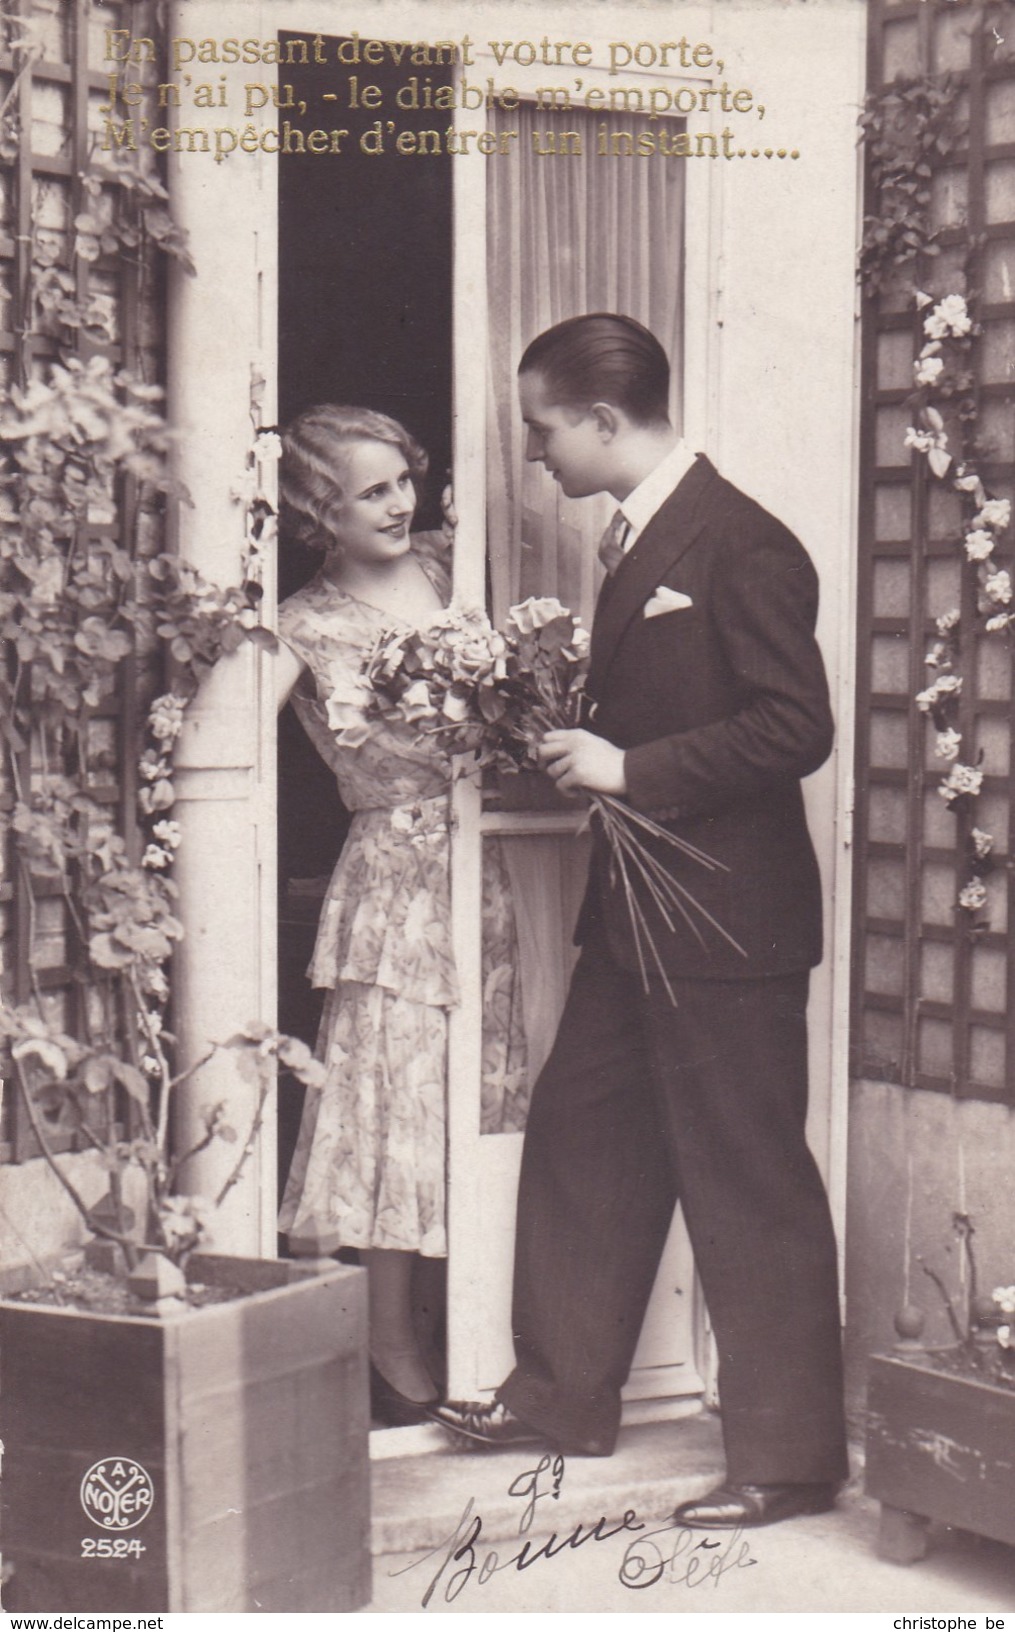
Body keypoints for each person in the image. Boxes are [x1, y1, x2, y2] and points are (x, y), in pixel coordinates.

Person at [435, 314, 849, 1528]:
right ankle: (563, 1395)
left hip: (728, 927)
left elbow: (795, 728)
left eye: (541, 428)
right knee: (582, 1135)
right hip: (638, 921)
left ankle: (787, 1461)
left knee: (748, 1178)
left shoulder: (742, 542)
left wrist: (628, 769)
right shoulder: (636, 543)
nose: (533, 454)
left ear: (606, 421)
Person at [273, 403, 526, 1427]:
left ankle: (469, 1327)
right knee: (392, 1104)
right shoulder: (300, 620)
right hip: (396, 875)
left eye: (400, 481)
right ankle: (388, 1344)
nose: (396, 502)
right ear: (316, 510)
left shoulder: (450, 564)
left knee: (484, 1094)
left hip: (500, 858)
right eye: (367, 490)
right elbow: (220, 744)